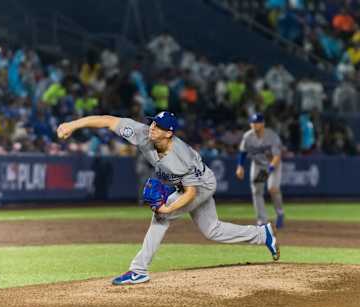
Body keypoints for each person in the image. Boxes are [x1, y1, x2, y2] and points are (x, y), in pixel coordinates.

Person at [57, 111, 280, 285]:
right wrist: (73, 125)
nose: (153, 128)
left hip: (200, 185)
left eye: (159, 126)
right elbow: (107, 120)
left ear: (169, 133)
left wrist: (165, 209)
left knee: (161, 217)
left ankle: (138, 270)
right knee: (212, 230)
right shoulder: (143, 133)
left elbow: (191, 192)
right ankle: (262, 234)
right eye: (153, 123)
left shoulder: (178, 156)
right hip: (191, 183)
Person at [236, 113, 285, 228]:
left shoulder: (272, 136)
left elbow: (277, 156)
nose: (254, 125)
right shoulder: (247, 136)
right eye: (252, 122)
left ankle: (280, 213)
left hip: (273, 164)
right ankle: (262, 220)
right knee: (256, 191)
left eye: (257, 122)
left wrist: (270, 168)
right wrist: (240, 166)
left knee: (273, 188)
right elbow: (243, 152)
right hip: (258, 165)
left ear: (263, 124)